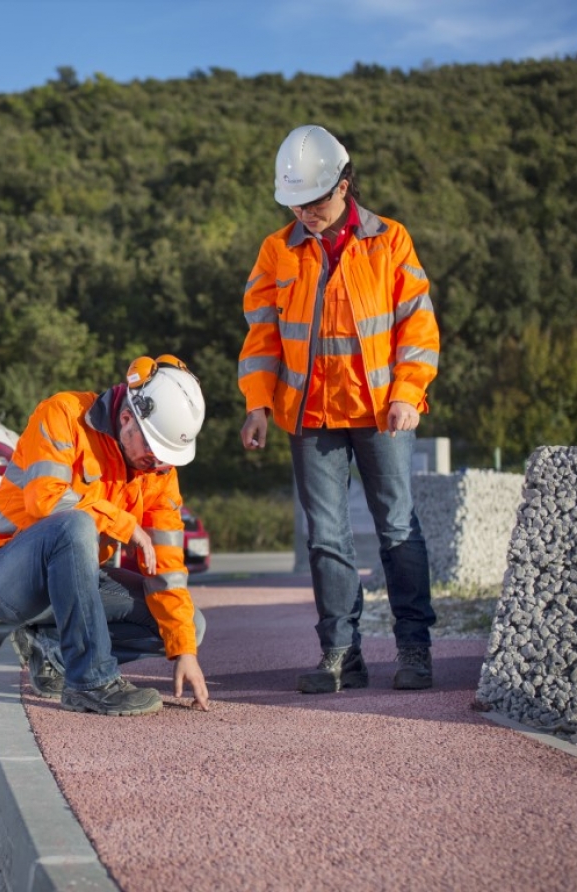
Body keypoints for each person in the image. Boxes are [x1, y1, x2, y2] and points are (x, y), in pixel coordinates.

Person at [238, 124, 440, 693]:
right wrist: (257, 405)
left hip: (382, 412)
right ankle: (341, 656)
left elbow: (417, 327)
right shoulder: (277, 251)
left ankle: (415, 650)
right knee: (326, 537)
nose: (306, 212)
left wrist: (406, 392)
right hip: (310, 418)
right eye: (295, 204)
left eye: (316, 201)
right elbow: (262, 338)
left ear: (345, 186)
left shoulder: (389, 240)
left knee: (397, 527)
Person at [0, 355, 210, 716]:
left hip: (71, 583)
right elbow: (45, 500)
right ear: (127, 418)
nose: (159, 465)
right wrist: (125, 525)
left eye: (167, 458)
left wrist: (185, 652)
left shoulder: (158, 474)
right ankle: (91, 682)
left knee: (189, 627)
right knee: (74, 523)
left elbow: (168, 568)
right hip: (1, 575)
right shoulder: (63, 414)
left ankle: (52, 649)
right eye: (154, 452)